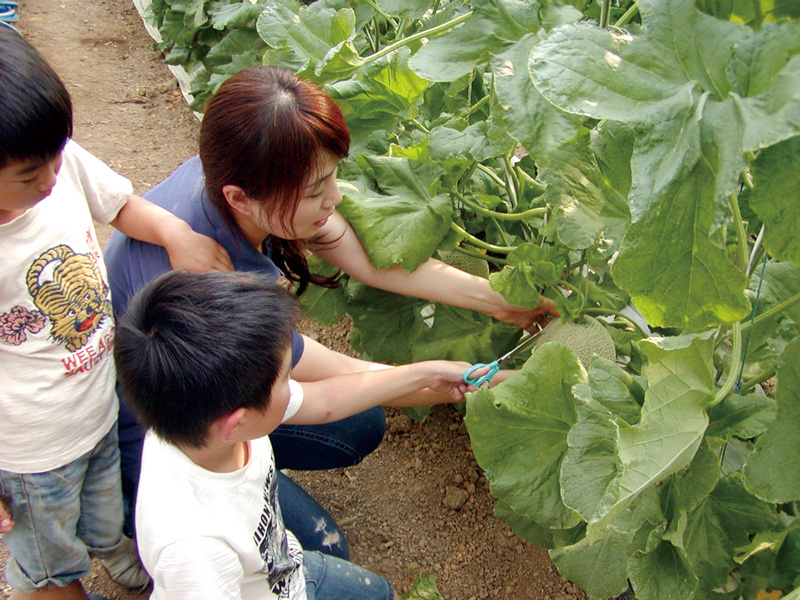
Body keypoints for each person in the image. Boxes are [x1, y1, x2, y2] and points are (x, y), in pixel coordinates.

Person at [103, 65, 557, 554]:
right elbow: (339, 372)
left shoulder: (236, 173)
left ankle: (252, 440)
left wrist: (498, 300)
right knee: (321, 551)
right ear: (241, 197)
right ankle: (143, 522)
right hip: (154, 446)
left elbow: (367, 258)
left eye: (332, 178)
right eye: (317, 191)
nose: (335, 198)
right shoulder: (210, 283)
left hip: (212, 402)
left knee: (358, 422)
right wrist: (457, 382)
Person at [0, 27, 231, 600]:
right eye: (30, 177)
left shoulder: (56, 161)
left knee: (105, 513)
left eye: (56, 160)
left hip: (99, 403)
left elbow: (119, 203)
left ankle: (118, 556)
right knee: (51, 559)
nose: (52, 181)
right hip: (29, 451)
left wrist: (177, 233)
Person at [114, 270, 483, 600]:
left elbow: (325, 400)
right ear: (236, 424)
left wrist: (424, 374)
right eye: (286, 377)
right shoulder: (194, 552)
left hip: (277, 563)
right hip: (262, 584)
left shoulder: (201, 417)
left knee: (367, 582)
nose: (296, 382)